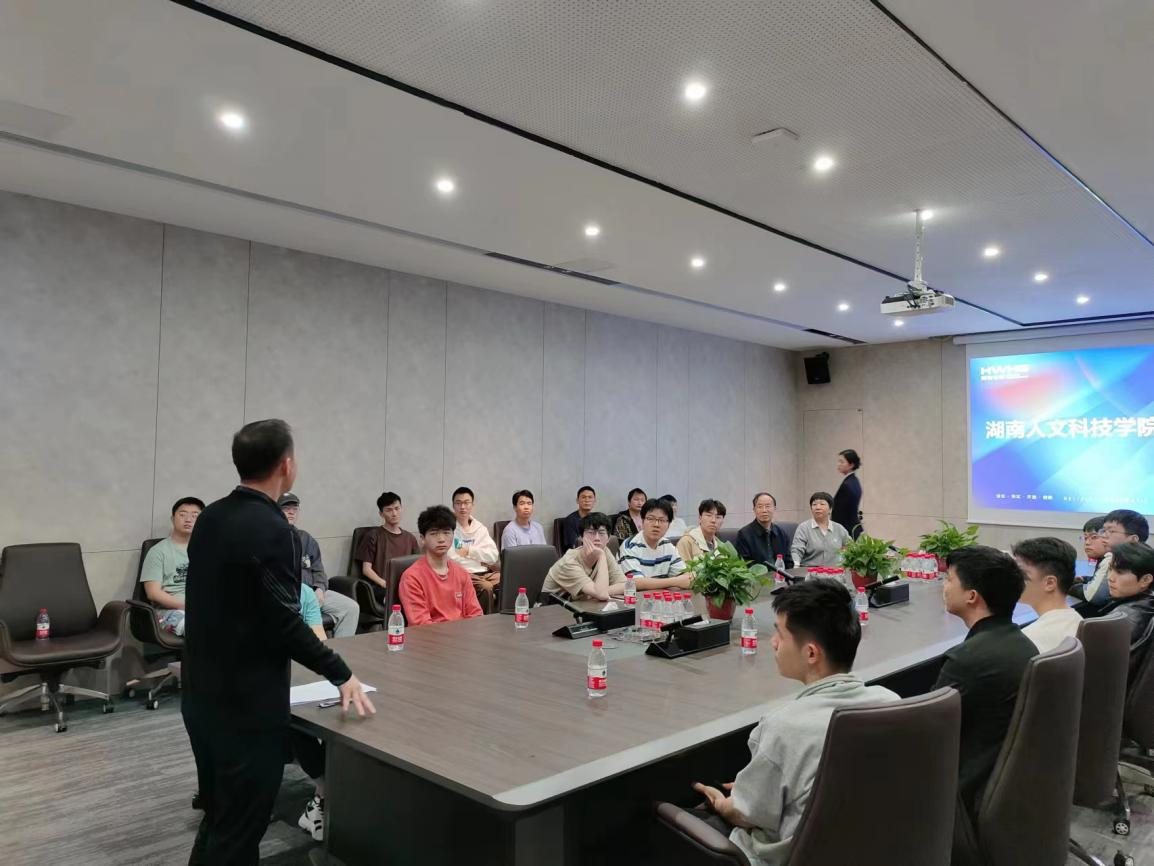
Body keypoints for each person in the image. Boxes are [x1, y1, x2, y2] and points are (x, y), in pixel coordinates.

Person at [183, 419, 373, 865]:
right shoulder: (275, 531)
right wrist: (340, 673)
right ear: (286, 465)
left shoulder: (211, 516)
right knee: (240, 828)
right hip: (245, 703)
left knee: (220, 815)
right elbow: (283, 623)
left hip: (200, 693)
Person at [691, 580, 899, 866]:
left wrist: (724, 803)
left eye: (780, 634)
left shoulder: (784, 727)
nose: (773, 642)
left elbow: (746, 813)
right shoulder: (891, 702)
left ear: (811, 653)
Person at [934, 545, 1036, 817]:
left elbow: (927, 732)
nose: (944, 586)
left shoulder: (968, 660)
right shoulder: (1023, 644)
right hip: (1006, 782)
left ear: (971, 596)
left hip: (966, 788)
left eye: (949, 579)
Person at [279, 493, 361, 638]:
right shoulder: (270, 538)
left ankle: (340, 649)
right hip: (291, 596)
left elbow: (318, 570)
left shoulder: (306, 538)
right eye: (286, 508)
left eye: (295, 509)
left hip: (314, 592)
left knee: (351, 608)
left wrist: (320, 589)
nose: (291, 512)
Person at [398, 505, 485, 625]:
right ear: (422, 539)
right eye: (434, 533)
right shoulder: (412, 578)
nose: (441, 539)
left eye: (446, 532)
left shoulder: (462, 573)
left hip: (463, 634)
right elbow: (421, 624)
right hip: (429, 636)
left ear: (453, 535)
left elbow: (476, 614)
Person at [1085, 541, 1154, 683]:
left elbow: (1092, 672)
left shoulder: (1122, 620)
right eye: (1110, 569)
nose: (1110, 577)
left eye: (1120, 572)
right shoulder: (1148, 603)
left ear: (1145, 580)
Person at [140, 496, 205, 636]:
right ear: (173, 518)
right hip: (169, 611)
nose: (188, 519)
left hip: (202, 606)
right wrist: (190, 606)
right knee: (202, 630)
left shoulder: (207, 549)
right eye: (182, 514)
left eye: (195, 515)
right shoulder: (158, 551)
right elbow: (153, 593)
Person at [1013, 537, 1082, 653]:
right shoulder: (1077, 621)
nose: (1012, 578)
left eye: (1020, 573)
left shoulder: (1028, 639)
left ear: (1050, 583)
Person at [541, 512, 627, 601]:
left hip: (581, 605)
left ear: (608, 538)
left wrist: (595, 593)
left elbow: (625, 585)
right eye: (591, 533)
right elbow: (602, 595)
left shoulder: (604, 550)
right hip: (552, 606)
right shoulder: (568, 562)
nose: (597, 538)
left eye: (601, 533)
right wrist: (601, 557)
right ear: (581, 537)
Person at [1077, 509, 1150, 613]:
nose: (1103, 535)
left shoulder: (1124, 560)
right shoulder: (1114, 557)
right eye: (1103, 531)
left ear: (1133, 539)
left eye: (1111, 531)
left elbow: (1096, 596)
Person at [355, 491, 421, 602]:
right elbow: (366, 569)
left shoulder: (410, 538)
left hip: (405, 585)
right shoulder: (372, 536)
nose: (394, 513)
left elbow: (417, 568)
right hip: (380, 586)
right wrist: (384, 583)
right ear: (381, 514)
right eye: (389, 510)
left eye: (397, 508)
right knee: (397, 599)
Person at [618, 498, 692, 590]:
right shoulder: (630, 546)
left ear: (669, 524)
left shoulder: (668, 545)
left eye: (662, 520)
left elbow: (684, 577)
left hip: (660, 597)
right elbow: (636, 583)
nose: (656, 524)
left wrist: (683, 579)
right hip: (633, 597)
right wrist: (675, 581)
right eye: (650, 519)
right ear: (642, 521)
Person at [448, 486, 501, 613]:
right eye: (458, 503)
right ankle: (485, 622)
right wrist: (479, 558)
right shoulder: (448, 528)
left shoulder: (480, 528)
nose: (463, 507)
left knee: (510, 579)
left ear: (472, 505)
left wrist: (469, 551)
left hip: (485, 573)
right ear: (453, 506)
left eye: (466, 502)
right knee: (486, 587)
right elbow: (452, 559)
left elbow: (493, 556)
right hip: (463, 574)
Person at [789, 492, 850, 568]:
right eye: (814, 504)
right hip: (810, 571)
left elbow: (850, 547)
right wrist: (796, 564)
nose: (818, 507)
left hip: (834, 571)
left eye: (822, 504)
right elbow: (797, 549)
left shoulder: (839, 528)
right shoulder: (803, 528)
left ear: (830, 509)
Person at [735, 493, 793, 570]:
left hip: (781, 576)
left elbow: (789, 563)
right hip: (758, 577)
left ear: (774, 508)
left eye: (768, 506)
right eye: (760, 507)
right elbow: (745, 565)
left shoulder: (782, 534)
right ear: (754, 510)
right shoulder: (744, 534)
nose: (764, 510)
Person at [1070, 516, 1109, 607]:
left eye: (1094, 537)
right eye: (1085, 538)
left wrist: (1067, 586)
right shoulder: (1102, 559)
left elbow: (1093, 595)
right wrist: (1085, 579)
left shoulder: (1111, 560)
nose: (1087, 542)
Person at [677, 499, 727, 564]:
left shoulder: (721, 545)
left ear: (723, 521)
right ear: (700, 518)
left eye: (718, 517)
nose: (713, 520)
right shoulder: (686, 542)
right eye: (709, 515)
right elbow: (682, 569)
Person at [832, 449, 863, 539]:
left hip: (846, 531)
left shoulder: (847, 485)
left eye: (842, 462)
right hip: (853, 529)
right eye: (838, 461)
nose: (838, 464)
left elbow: (840, 513)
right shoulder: (855, 481)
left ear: (851, 465)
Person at [560, 486, 597, 551]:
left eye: (590, 497)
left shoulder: (597, 519)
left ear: (595, 501)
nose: (587, 500)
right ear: (577, 500)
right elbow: (574, 545)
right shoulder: (570, 521)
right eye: (583, 497)